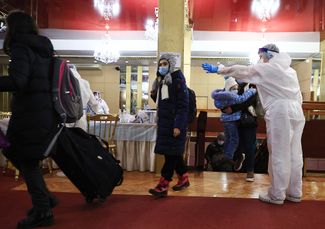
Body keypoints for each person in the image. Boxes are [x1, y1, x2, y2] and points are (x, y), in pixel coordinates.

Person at [202, 44, 305, 205]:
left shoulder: (269, 68)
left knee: (279, 152)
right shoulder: (291, 71)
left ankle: (277, 194)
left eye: (261, 56)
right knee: (294, 153)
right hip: (297, 111)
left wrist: (220, 69)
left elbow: (245, 71)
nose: (259, 60)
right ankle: (294, 192)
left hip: (280, 111)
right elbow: (299, 97)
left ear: (269, 55)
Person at [0, 10, 60, 228]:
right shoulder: (43, 48)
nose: (5, 30)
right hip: (43, 113)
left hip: (29, 114)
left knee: (24, 158)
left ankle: (43, 209)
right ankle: (45, 198)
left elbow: (18, 81)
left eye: (6, 26)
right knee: (20, 155)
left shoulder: (21, 47)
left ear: (13, 28)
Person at [148, 53, 190, 197]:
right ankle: (184, 178)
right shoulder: (162, 81)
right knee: (173, 154)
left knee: (171, 156)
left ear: (171, 64)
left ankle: (163, 185)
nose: (162, 66)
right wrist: (154, 93)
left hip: (174, 125)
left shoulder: (177, 81)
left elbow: (183, 107)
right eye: (160, 64)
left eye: (165, 64)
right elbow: (165, 103)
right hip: (165, 124)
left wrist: (178, 126)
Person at [211, 77, 256, 171]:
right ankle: (228, 157)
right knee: (235, 140)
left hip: (227, 120)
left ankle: (228, 156)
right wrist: (252, 91)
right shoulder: (234, 93)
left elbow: (219, 105)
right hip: (234, 120)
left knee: (229, 139)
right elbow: (242, 99)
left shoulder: (220, 95)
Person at [224, 81, 259, 182]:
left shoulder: (252, 86)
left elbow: (247, 102)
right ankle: (237, 161)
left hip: (249, 121)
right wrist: (223, 108)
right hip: (234, 121)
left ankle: (250, 171)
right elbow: (226, 100)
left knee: (249, 146)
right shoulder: (233, 86)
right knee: (235, 144)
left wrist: (233, 109)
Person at [68, 65, 99, 131]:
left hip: (66, 116)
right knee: (80, 138)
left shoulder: (61, 82)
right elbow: (94, 103)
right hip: (81, 116)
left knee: (65, 139)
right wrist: (96, 113)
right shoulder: (84, 82)